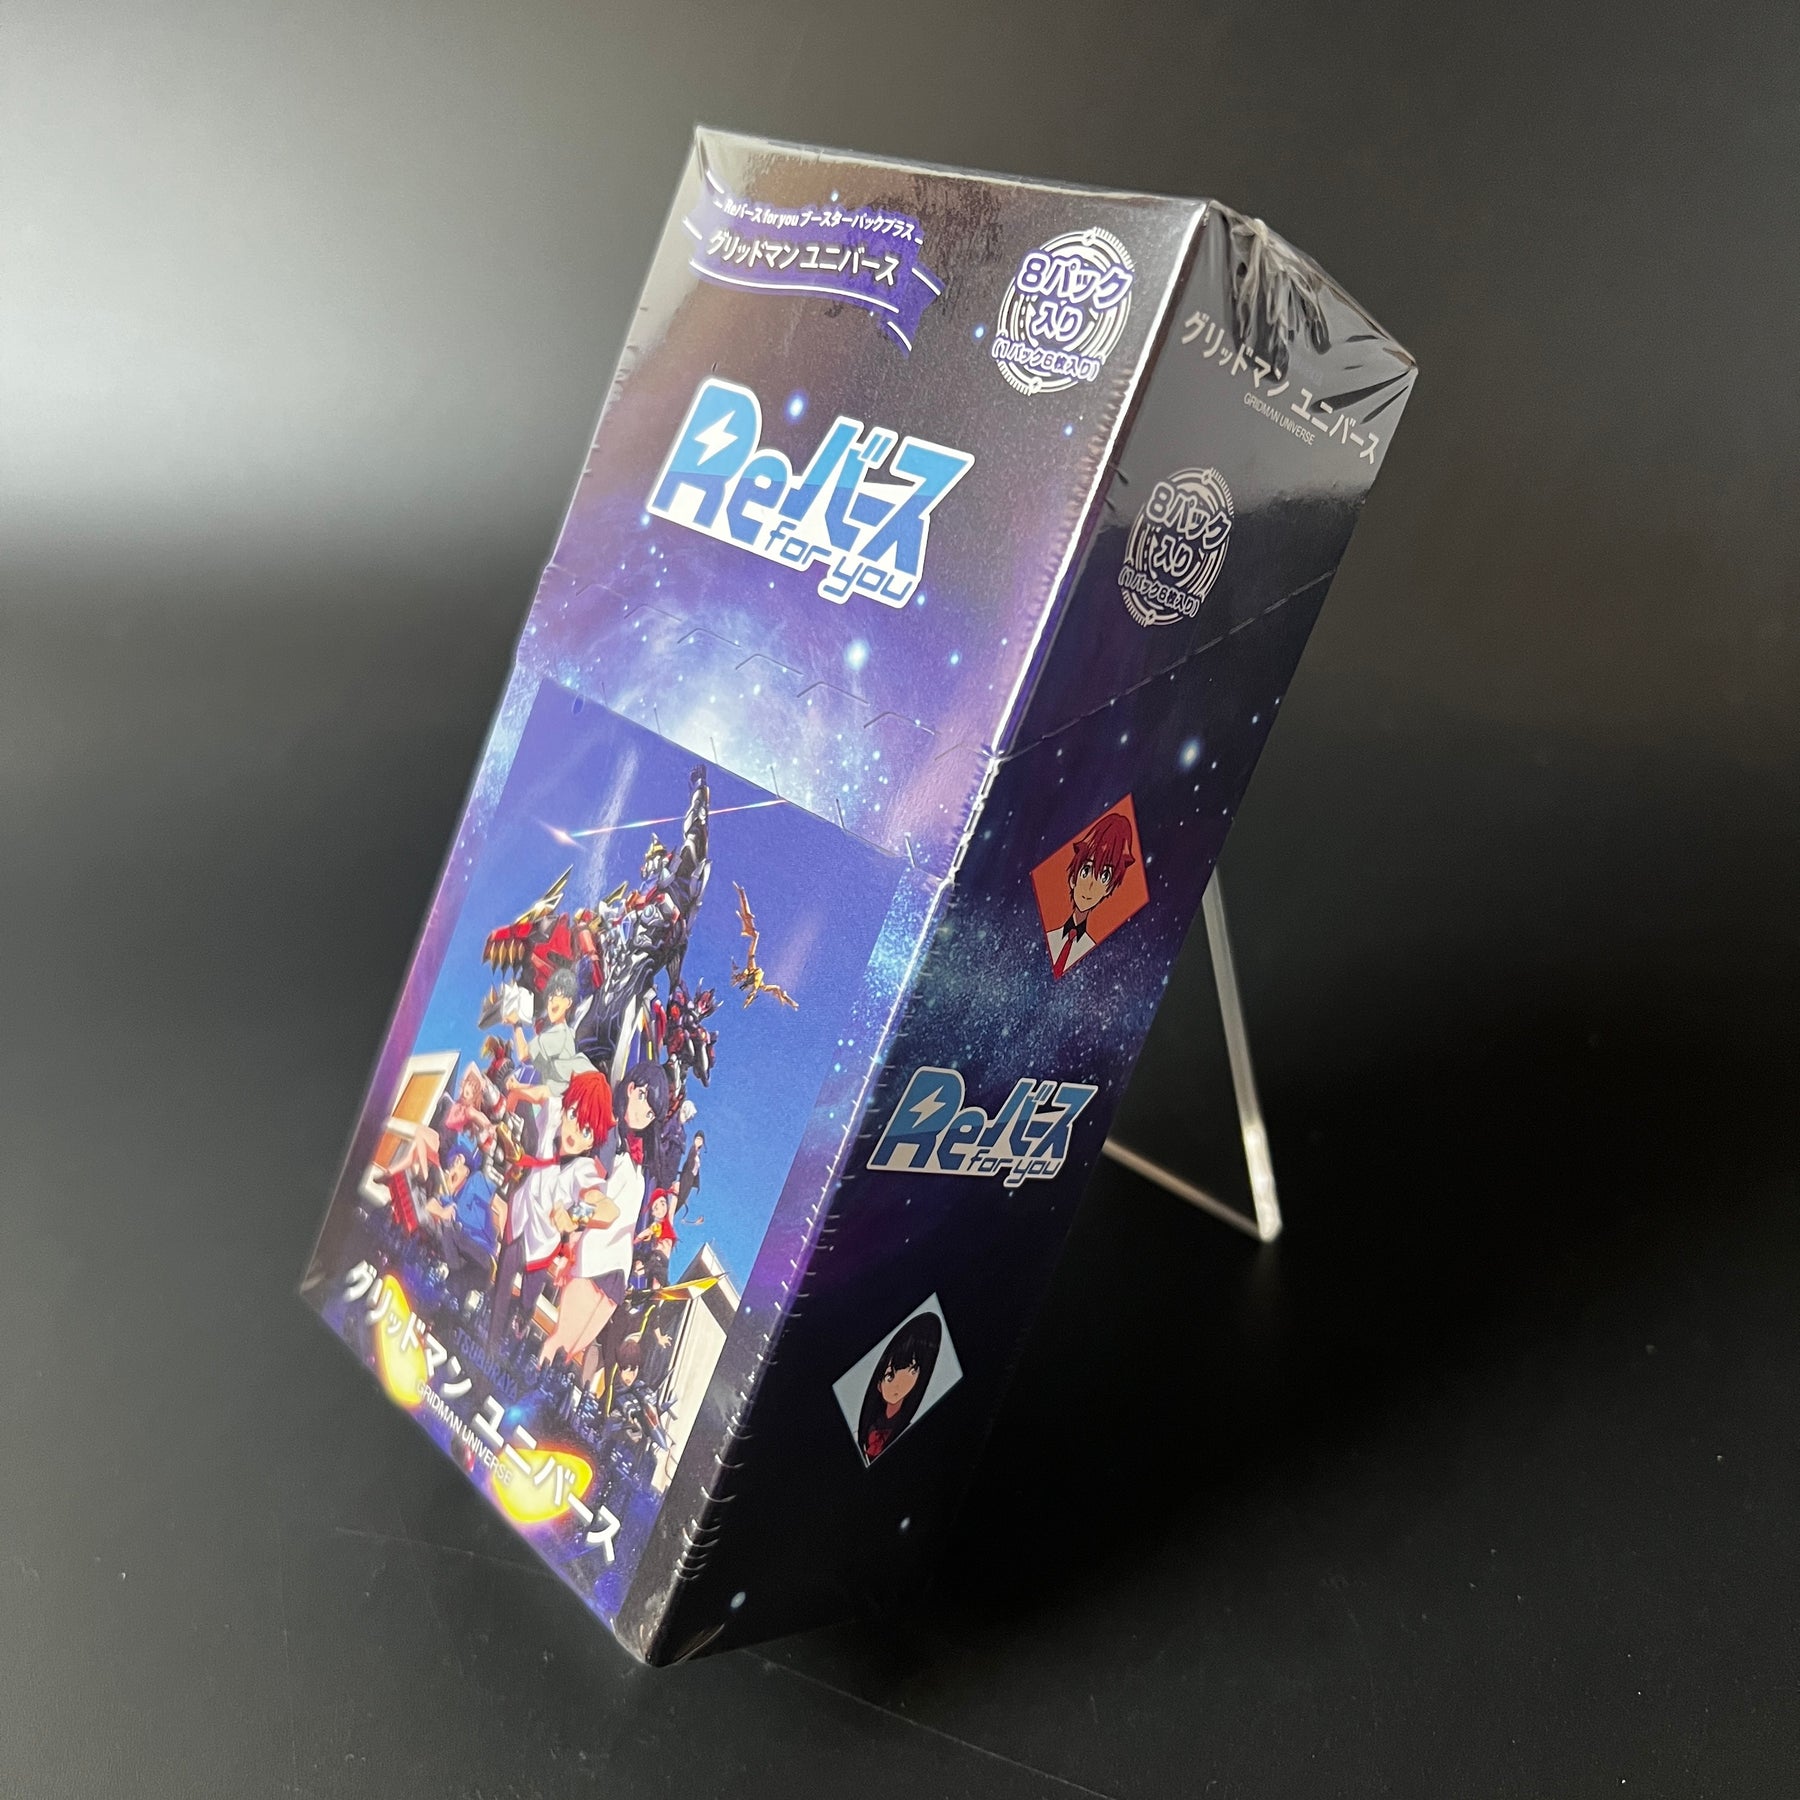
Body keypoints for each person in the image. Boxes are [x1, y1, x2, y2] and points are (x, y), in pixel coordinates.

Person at [488, 1069, 613, 1357]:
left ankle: (519, 1323)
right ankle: (490, 1346)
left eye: (586, 1131)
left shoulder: (583, 1170)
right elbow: (543, 1094)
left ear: (592, 1141)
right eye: (574, 1115)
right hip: (520, 1220)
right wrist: (516, 1088)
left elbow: (608, 1209)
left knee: (527, 1301)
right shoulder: (556, 1114)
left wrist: (574, 1217)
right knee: (502, 1286)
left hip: (543, 1244)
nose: (574, 1132)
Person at [1044, 810, 1136, 977]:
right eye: (1086, 871)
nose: (1091, 885)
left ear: (1108, 888)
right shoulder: (1049, 938)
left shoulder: (1094, 950)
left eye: (1104, 876)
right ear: (1073, 878)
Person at [420, 1136, 498, 1311]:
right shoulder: (449, 1199)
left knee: (449, 1230)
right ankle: (456, 1300)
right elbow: (430, 1205)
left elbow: (500, 1205)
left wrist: (505, 1247)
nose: (452, 1168)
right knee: (453, 1283)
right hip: (472, 1270)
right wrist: (442, 1209)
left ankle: (458, 1290)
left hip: (483, 1257)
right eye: (451, 1164)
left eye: (457, 1163)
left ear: (467, 1171)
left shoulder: (475, 1182)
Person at [857, 1312, 943, 1463]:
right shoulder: (864, 1431)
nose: (899, 1384)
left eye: (912, 1371)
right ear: (878, 1383)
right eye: (890, 1376)